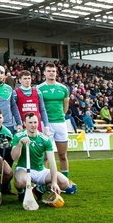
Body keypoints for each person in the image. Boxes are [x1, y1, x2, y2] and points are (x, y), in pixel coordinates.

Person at [11, 113, 70, 203]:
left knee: (64, 182)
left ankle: (39, 189)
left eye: (35, 122)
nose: (33, 125)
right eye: (30, 122)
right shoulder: (18, 136)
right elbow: (14, 157)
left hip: (40, 171)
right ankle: (22, 192)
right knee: (20, 182)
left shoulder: (45, 139)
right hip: (23, 168)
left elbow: (52, 162)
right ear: (25, 124)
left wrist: (54, 182)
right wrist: (20, 144)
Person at [37, 63, 74, 191]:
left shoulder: (63, 88)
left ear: (56, 72)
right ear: (44, 73)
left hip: (60, 124)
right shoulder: (39, 88)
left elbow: (65, 106)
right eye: (49, 71)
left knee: (62, 155)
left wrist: (61, 116)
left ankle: (65, 183)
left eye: (53, 71)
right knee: (46, 156)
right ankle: (44, 182)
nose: (51, 73)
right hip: (46, 124)